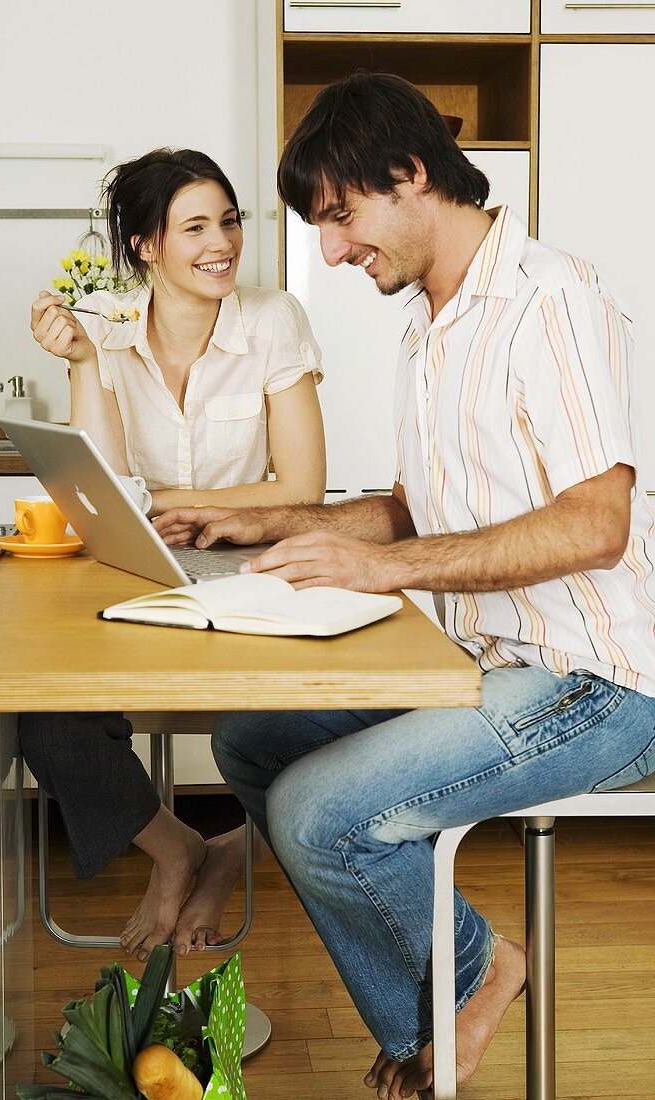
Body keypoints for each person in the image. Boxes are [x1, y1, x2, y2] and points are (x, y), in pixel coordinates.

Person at [152, 75, 655, 1097]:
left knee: (318, 811)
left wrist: (378, 568)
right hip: (486, 662)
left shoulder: (548, 300)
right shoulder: (431, 320)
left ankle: (470, 984)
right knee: (250, 741)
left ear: (411, 173)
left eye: (339, 218)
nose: (330, 251)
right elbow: (418, 504)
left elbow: (595, 524)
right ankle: (456, 985)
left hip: (598, 680)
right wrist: (277, 520)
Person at [21, 147, 326, 962]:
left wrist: (188, 505)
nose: (221, 242)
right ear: (147, 245)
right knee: (45, 718)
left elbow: (304, 485)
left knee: (320, 722)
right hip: (143, 569)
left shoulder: (273, 320)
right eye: (194, 226)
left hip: (254, 570)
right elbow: (106, 486)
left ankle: (232, 854)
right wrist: (84, 361)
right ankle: (177, 848)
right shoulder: (109, 324)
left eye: (228, 221)